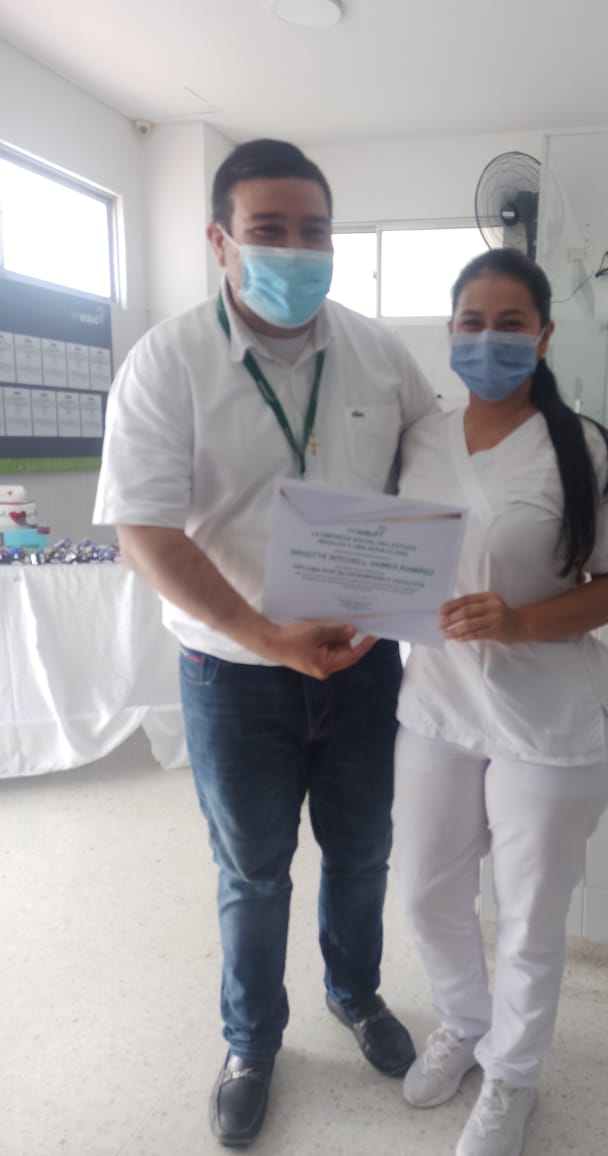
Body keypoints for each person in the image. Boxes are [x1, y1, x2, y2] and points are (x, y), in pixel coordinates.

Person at [93, 139, 438, 1147]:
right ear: (220, 241)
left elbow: (432, 470)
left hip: (364, 666)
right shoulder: (167, 363)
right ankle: (252, 1042)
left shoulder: (380, 355)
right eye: (268, 230)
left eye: (313, 230)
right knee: (253, 870)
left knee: (363, 852)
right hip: (234, 674)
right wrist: (263, 634)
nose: (295, 248)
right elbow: (145, 532)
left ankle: (355, 993)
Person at [393, 248, 608, 1156]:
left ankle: (512, 1076)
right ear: (449, 331)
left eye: (511, 324)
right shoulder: (417, 441)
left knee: (528, 914)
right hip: (438, 704)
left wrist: (521, 622)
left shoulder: (583, 450)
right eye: (472, 322)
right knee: (426, 890)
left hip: (546, 717)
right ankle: (465, 1023)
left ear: (543, 337)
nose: (489, 340)